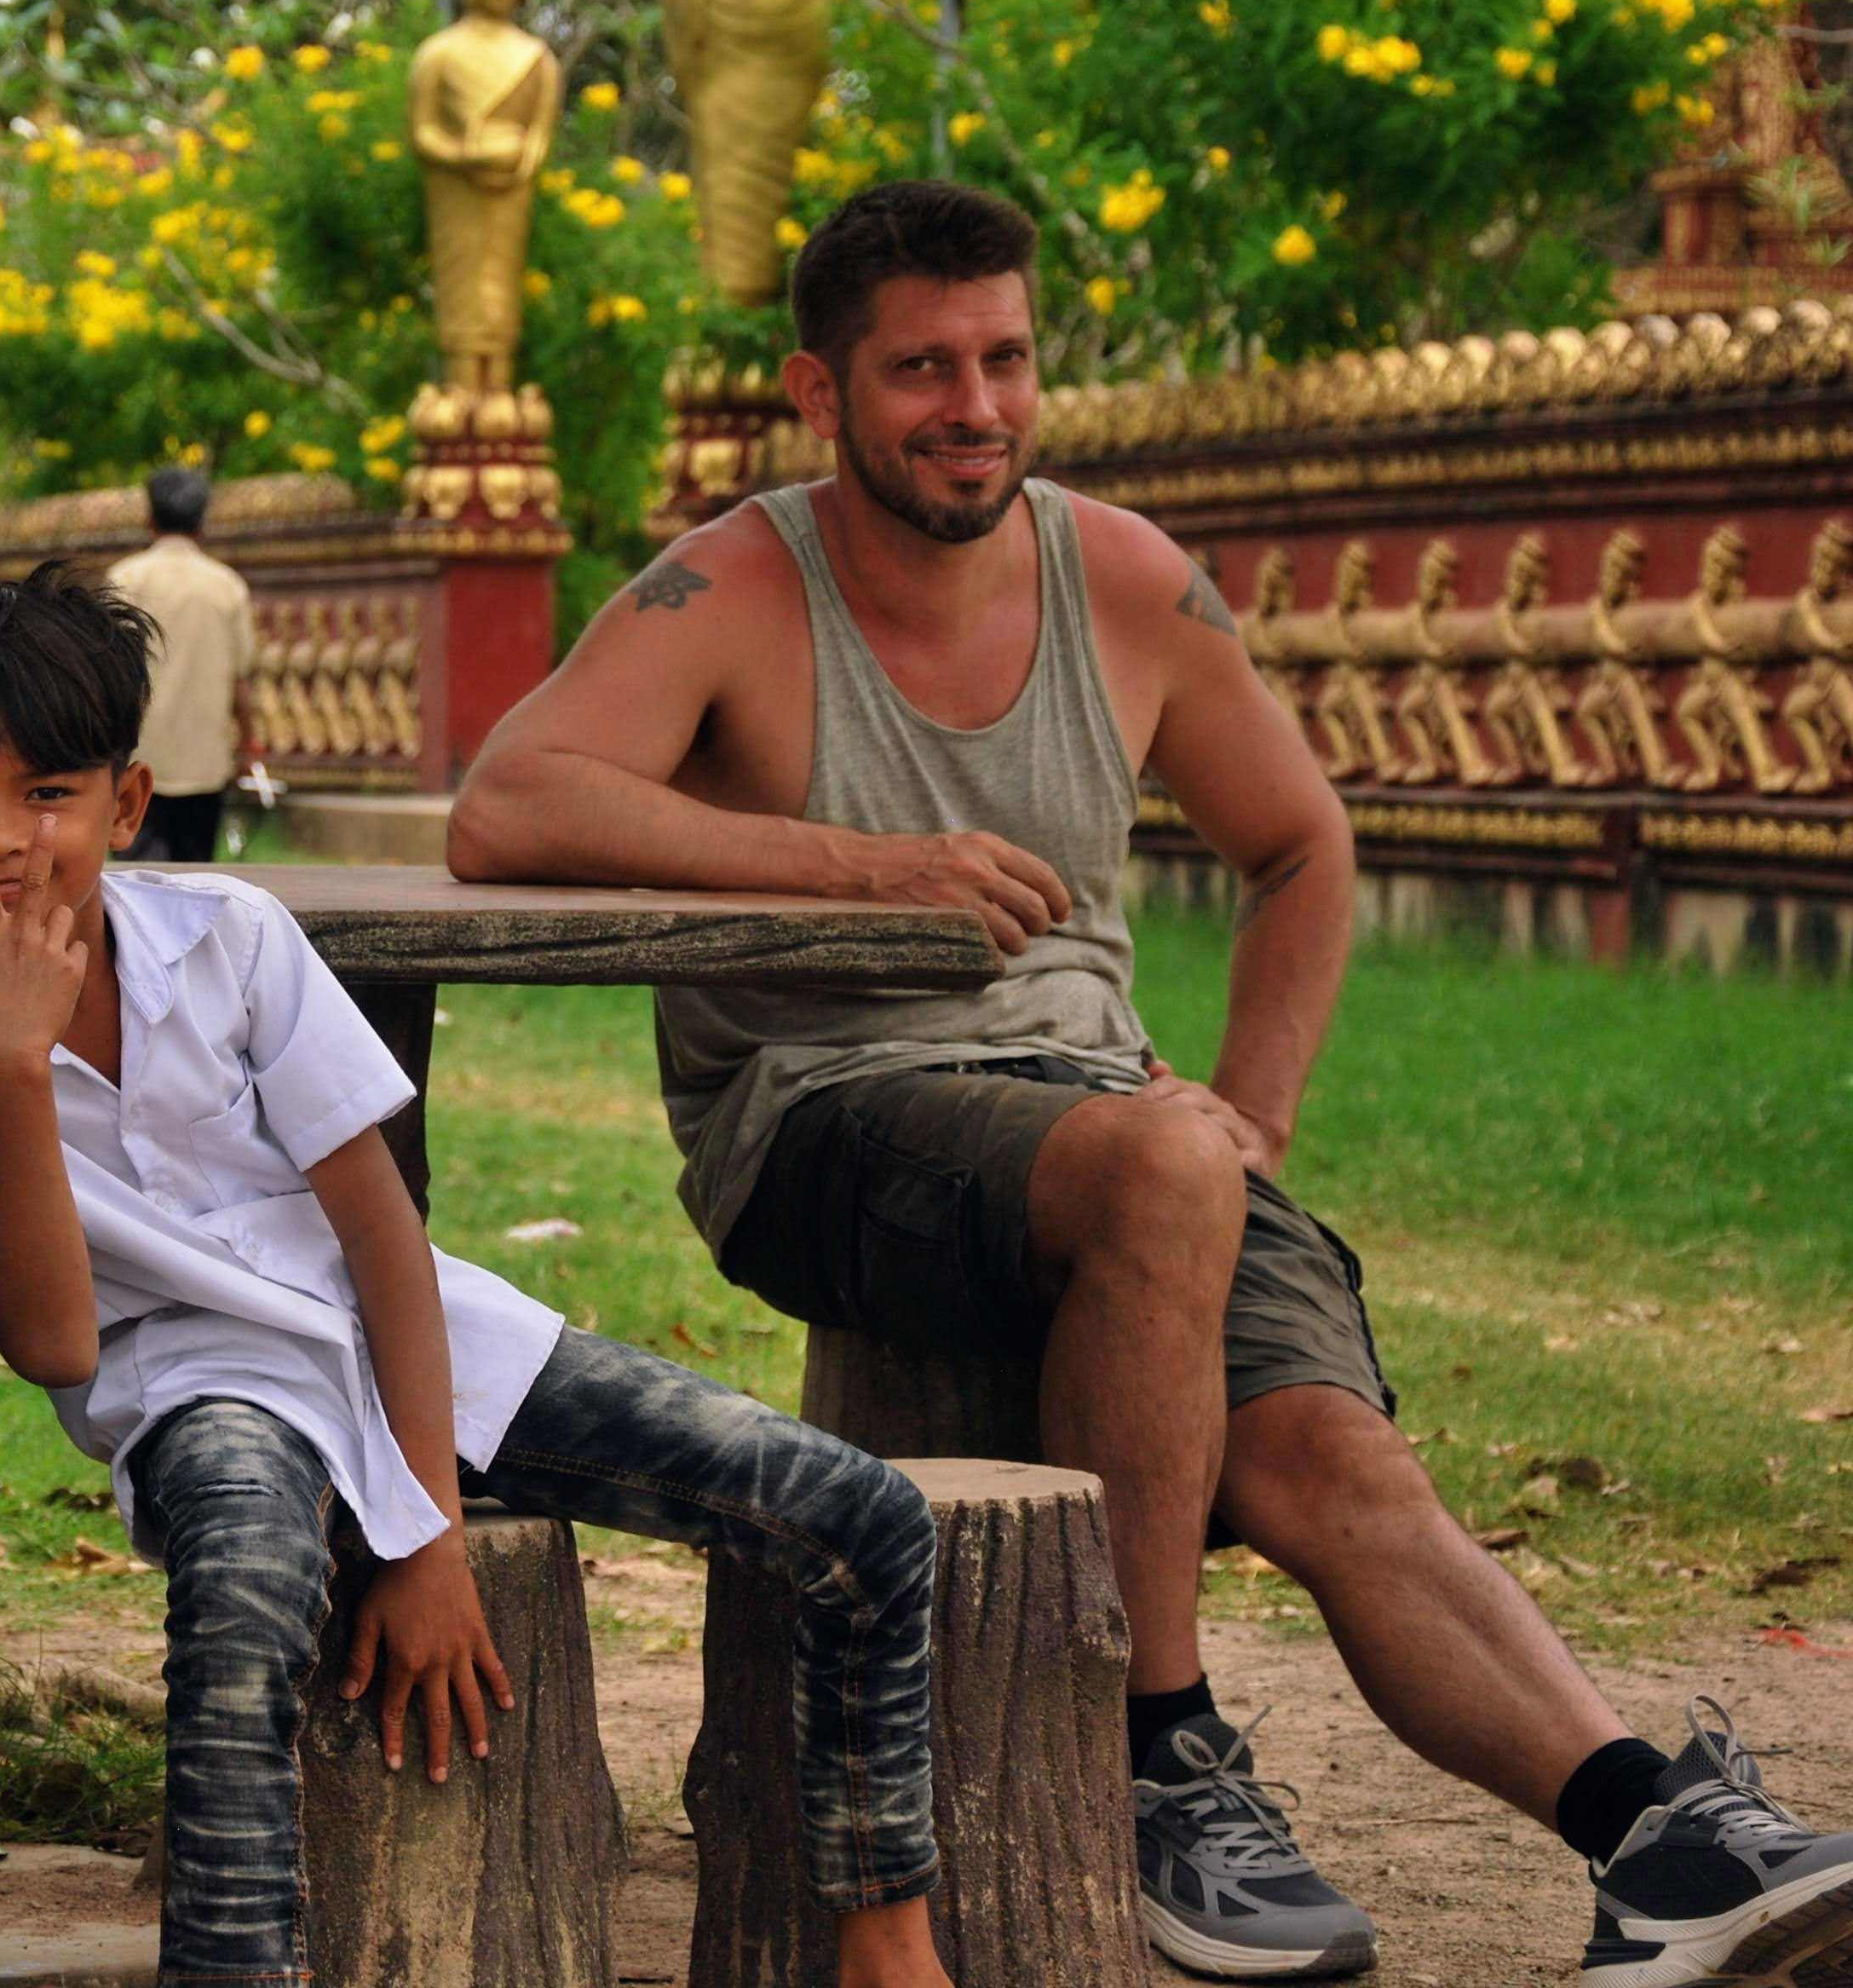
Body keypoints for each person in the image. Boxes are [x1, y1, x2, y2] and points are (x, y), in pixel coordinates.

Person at [448, 179, 1853, 1985]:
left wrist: (1252, 1114)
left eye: (1007, 358)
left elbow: (1301, 847)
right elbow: (510, 804)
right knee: (1164, 1173)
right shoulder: (733, 581)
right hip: (820, 1116)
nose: (975, 406)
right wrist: (868, 865)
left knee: (1327, 1451)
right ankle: (1152, 1753)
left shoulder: (1123, 576)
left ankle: (1644, 1834)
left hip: (1110, 1126)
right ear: (820, 394)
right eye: (921, 371)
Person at [0, 567, 956, 1988]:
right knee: (244, 1587)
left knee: (863, 1512)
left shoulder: (230, 942)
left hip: (422, 1342)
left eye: (46, 792)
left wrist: (422, 1529)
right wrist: (9, 1068)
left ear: (126, 805)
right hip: (204, 1384)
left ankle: (885, 1943)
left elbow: (379, 1230)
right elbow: (57, 1347)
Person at [103, 465, 257, 862]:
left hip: (136, 755)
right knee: (195, 872)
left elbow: (101, 676)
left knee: (136, 878)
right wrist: (249, 744)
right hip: (204, 760)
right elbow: (242, 680)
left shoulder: (125, 579)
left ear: (149, 517)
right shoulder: (226, 586)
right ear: (202, 521)